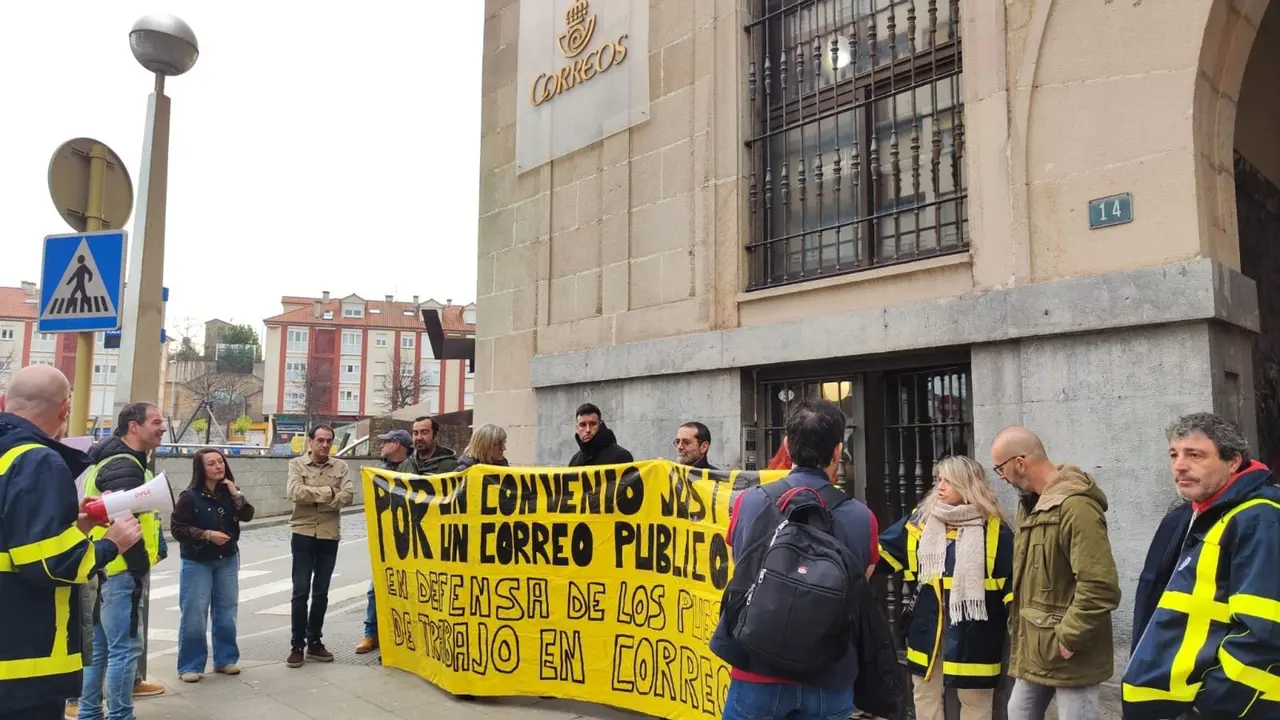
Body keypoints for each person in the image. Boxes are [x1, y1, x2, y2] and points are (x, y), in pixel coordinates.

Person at [710, 399, 880, 720]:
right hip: (829, 675)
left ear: (787, 446)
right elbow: (862, 582)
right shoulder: (862, 518)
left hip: (756, 669)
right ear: (838, 451)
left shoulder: (749, 502)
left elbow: (740, 563)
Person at [0, 365, 141, 720]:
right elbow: (51, 563)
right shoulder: (38, 460)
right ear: (65, 409)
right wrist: (111, 543)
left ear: (4, 402)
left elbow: (14, 534)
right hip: (23, 661)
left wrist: (71, 521)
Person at [1122, 413, 1280, 719]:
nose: (1180, 465)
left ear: (1233, 462)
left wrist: (1212, 702)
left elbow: (1265, 631)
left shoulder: (1260, 519)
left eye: (1195, 455)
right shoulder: (1185, 516)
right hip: (1172, 701)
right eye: (1174, 454)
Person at [990, 426, 1121, 720]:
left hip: (1070, 652)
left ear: (1019, 463)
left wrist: (1069, 637)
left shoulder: (1077, 506)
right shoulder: (1031, 504)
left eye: (1000, 468)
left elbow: (1100, 585)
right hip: (1036, 647)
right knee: (1018, 712)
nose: (1001, 476)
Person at [877, 455, 1014, 720]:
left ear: (967, 485)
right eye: (939, 479)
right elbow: (880, 554)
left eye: (948, 481)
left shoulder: (995, 531)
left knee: (975, 701)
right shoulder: (919, 523)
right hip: (928, 630)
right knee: (924, 696)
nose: (940, 486)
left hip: (975, 634)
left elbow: (1012, 586)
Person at [77, 403, 167, 720]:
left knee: (100, 649)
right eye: (156, 422)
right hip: (120, 572)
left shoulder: (114, 459)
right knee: (124, 650)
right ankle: (120, 715)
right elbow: (124, 525)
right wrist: (140, 566)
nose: (162, 428)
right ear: (134, 426)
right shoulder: (125, 466)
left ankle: (90, 713)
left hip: (104, 570)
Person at [169, 449, 255, 683]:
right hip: (197, 561)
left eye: (220, 462)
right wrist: (206, 534)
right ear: (201, 469)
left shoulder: (229, 492)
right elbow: (177, 528)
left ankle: (225, 659)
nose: (218, 466)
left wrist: (236, 494)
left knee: (226, 610)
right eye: (211, 463)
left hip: (227, 558)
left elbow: (248, 515)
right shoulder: (189, 496)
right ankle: (190, 664)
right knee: (194, 614)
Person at [285, 425, 352, 668]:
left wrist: (314, 496)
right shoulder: (297, 464)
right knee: (300, 590)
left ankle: (315, 641)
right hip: (303, 532)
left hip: (329, 535)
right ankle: (297, 644)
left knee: (321, 591)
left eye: (329, 441)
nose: (325, 445)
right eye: (320, 440)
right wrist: (329, 493)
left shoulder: (341, 467)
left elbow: (348, 496)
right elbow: (295, 492)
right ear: (311, 441)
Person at [355, 429, 412, 655]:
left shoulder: (412, 468)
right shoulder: (382, 469)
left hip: (408, 538)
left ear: (397, 444)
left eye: (386, 442)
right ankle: (371, 633)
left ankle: (399, 636)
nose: (382, 446)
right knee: (376, 588)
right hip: (386, 537)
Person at [567, 403, 632, 467]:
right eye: (583, 425)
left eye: (593, 424)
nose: (588, 430)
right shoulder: (574, 462)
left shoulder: (621, 456)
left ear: (600, 425)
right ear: (577, 428)